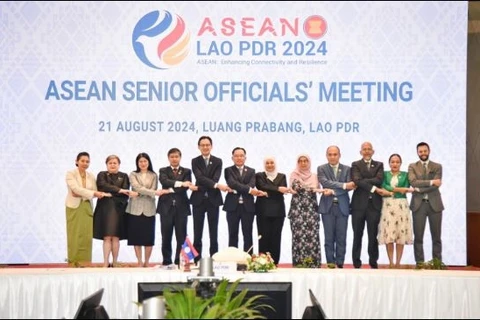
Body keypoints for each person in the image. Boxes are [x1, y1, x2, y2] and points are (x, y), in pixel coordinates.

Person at [190, 136, 230, 263]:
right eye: (202, 145)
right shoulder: (195, 161)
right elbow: (199, 177)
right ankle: (196, 260)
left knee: (214, 232)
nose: (205, 147)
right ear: (199, 147)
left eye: (207, 145)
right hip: (198, 200)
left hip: (213, 200)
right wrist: (216, 185)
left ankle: (215, 259)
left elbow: (216, 177)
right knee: (197, 232)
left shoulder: (218, 161)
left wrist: (213, 183)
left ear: (211, 146)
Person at [65, 152, 110, 265]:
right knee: (75, 234)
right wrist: (91, 193)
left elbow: (93, 193)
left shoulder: (91, 176)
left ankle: (85, 262)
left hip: (87, 206)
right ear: (77, 161)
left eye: (87, 161)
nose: (85, 163)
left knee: (86, 235)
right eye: (82, 161)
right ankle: (73, 261)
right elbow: (75, 190)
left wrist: (90, 193)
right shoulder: (70, 174)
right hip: (74, 206)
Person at [126, 153, 169, 267]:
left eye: (145, 161)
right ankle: (139, 262)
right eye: (140, 161)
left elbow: (152, 189)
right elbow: (136, 187)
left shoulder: (154, 175)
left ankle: (147, 262)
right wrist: (152, 192)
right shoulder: (133, 174)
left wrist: (144, 193)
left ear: (148, 162)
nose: (143, 163)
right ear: (137, 163)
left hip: (149, 208)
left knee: (148, 237)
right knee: (136, 237)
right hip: (135, 209)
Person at [317, 146, 355, 269]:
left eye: (335, 154)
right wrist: (343, 185)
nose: (332, 156)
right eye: (330, 154)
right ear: (326, 155)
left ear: (339, 155)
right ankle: (330, 262)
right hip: (327, 207)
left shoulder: (348, 169)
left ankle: (340, 262)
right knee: (328, 237)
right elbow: (325, 183)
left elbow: (351, 186)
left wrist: (334, 191)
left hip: (342, 206)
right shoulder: (321, 168)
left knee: (341, 237)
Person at [408, 142, 444, 265]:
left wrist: (420, 188)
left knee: (436, 237)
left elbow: (436, 185)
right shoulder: (412, 166)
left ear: (429, 151)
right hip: (419, 205)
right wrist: (431, 182)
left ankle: (437, 263)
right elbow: (413, 182)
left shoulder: (437, 166)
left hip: (435, 204)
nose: (423, 153)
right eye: (420, 151)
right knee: (418, 237)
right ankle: (420, 264)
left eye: (425, 151)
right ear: (417, 152)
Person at [224, 147, 265, 253]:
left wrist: (235, 190)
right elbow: (231, 183)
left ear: (245, 157)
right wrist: (249, 190)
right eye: (236, 156)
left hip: (248, 207)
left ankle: (248, 260)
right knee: (232, 234)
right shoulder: (228, 170)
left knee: (248, 234)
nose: (239, 158)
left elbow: (251, 184)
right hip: (232, 207)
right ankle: (233, 259)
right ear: (232, 158)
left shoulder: (251, 171)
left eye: (241, 155)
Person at [350, 142, 384, 269]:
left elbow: (379, 180)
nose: (367, 151)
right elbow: (356, 180)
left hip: (374, 206)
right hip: (358, 206)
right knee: (357, 235)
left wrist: (362, 181)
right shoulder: (355, 164)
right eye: (364, 149)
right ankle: (356, 262)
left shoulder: (379, 165)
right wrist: (373, 187)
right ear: (361, 152)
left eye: (369, 149)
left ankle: (373, 261)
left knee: (372, 235)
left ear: (373, 151)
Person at [376, 153, 414, 268]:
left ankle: (398, 262)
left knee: (400, 234)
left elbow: (406, 189)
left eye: (397, 162)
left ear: (400, 163)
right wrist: (399, 189)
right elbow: (383, 186)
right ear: (389, 163)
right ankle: (391, 262)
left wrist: (393, 189)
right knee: (389, 233)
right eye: (392, 162)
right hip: (387, 206)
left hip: (402, 206)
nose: (395, 164)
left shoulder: (406, 175)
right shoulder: (384, 174)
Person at [157, 148, 193, 266]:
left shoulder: (187, 171)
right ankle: (167, 261)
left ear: (180, 157)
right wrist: (180, 183)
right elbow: (164, 181)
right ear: (168, 158)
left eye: (176, 156)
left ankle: (180, 261)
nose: (174, 159)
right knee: (166, 235)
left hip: (181, 207)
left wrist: (170, 189)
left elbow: (186, 187)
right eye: (172, 156)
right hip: (165, 207)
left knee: (181, 235)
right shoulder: (163, 170)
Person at [93, 155, 131, 267]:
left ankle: (114, 261)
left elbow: (126, 193)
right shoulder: (101, 175)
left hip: (119, 208)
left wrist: (110, 194)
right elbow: (103, 186)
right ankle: (105, 262)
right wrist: (118, 190)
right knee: (106, 236)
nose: (113, 165)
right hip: (104, 208)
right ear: (106, 165)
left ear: (119, 164)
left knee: (116, 237)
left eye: (115, 163)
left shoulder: (124, 176)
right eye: (110, 163)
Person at [288, 154, 324, 267]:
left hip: (311, 210)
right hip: (297, 210)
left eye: (305, 161)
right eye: (301, 161)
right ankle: (299, 263)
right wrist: (316, 189)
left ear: (309, 162)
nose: (303, 163)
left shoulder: (315, 176)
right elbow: (298, 188)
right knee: (298, 237)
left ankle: (313, 263)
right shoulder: (294, 174)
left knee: (312, 237)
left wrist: (317, 190)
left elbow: (314, 190)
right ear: (297, 163)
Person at [255, 156, 289, 265]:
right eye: (267, 163)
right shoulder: (259, 175)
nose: (270, 165)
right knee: (263, 236)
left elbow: (282, 189)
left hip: (278, 211)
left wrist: (269, 190)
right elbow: (261, 185)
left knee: (276, 236)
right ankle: (262, 261)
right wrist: (278, 188)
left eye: (272, 163)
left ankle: (274, 262)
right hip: (262, 211)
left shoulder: (282, 176)